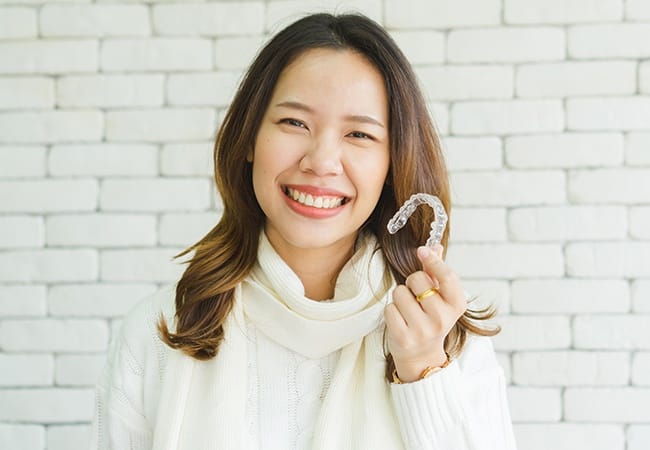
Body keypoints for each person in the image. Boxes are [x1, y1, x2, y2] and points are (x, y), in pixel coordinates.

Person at [91, 12, 516, 450]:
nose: (321, 160)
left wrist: (424, 372)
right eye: (294, 123)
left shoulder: (447, 340)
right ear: (249, 139)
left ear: (392, 163)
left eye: (359, 134)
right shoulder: (158, 332)